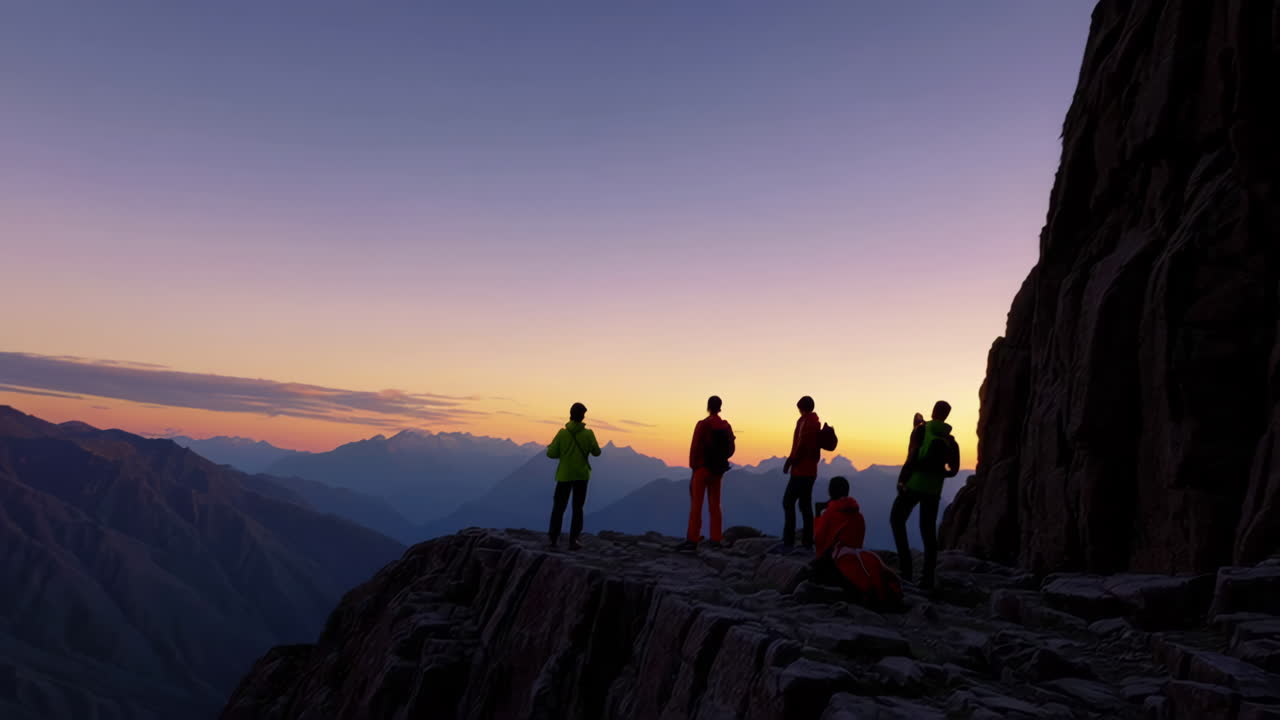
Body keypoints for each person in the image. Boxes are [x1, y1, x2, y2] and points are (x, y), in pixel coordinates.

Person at [891, 400, 960, 590]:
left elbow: (912, 457)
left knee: (897, 520)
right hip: (934, 490)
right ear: (946, 416)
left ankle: (906, 570)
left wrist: (902, 480)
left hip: (914, 485)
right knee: (928, 532)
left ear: (933, 412)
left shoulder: (922, 430)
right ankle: (927, 579)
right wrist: (938, 474)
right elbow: (954, 470)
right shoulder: (950, 440)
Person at [678, 395, 735, 553]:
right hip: (718, 471)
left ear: (708, 406)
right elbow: (731, 449)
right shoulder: (726, 426)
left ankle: (692, 539)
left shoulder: (703, 424)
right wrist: (721, 460)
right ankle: (716, 539)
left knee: (697, 505)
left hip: (702, 470)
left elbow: (695, 448)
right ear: (720, 407)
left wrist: (694, 468)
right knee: (715, 505)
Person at [546, 402, 602, 550]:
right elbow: (597, 452)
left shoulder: (562, 433)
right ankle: (573, 541)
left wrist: (560, 451)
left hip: (564, 475)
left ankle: (553, 540)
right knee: (578, 508)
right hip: (581, 476)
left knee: (559, 508)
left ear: (570, 414)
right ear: (583, 416)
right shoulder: (589, 434)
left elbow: (551, 454)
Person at [779, 395, 821, 552]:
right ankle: (807, 541)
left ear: (802, 408)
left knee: (788, 501)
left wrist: (790, 462)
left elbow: (801, 445)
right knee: (805, 505)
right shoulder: (814, 422)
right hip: (811, 471)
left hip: (801, 471)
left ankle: (789, 540)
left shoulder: (807, 422)